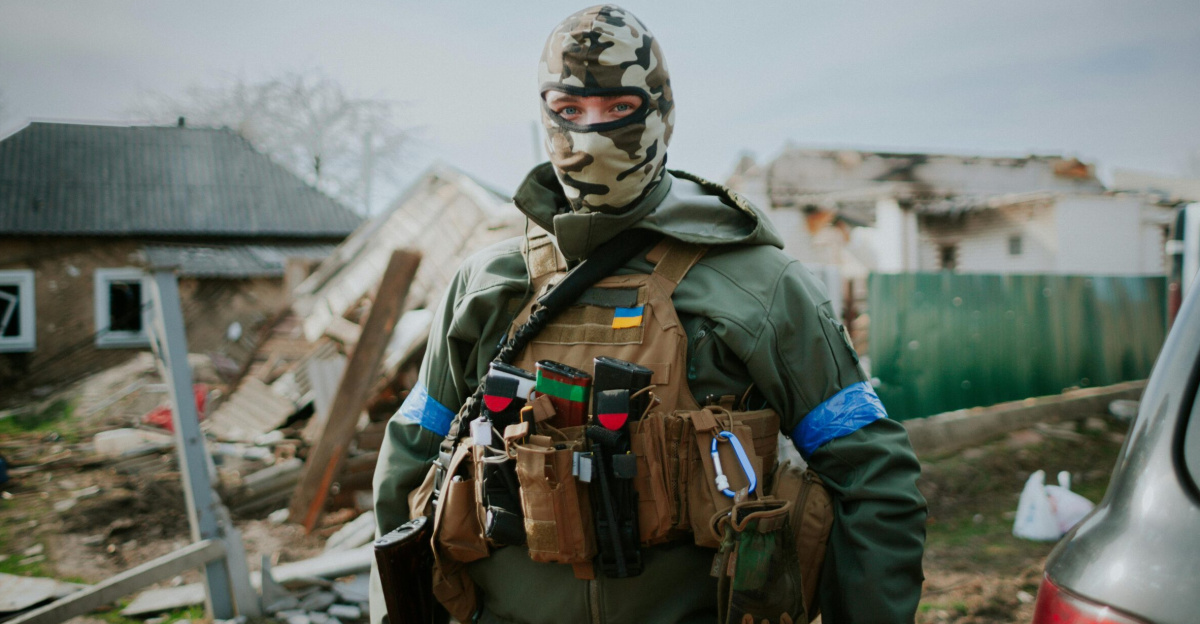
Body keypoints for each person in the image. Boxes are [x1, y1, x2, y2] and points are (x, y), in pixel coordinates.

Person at [370, 5, 926, 623]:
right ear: (545, 114)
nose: (591, 135)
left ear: (660, 112)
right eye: (569, 110)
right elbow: (409, 464)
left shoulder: (758, 286)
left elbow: (872, 475)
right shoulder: (486, 287)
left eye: (619, 109)